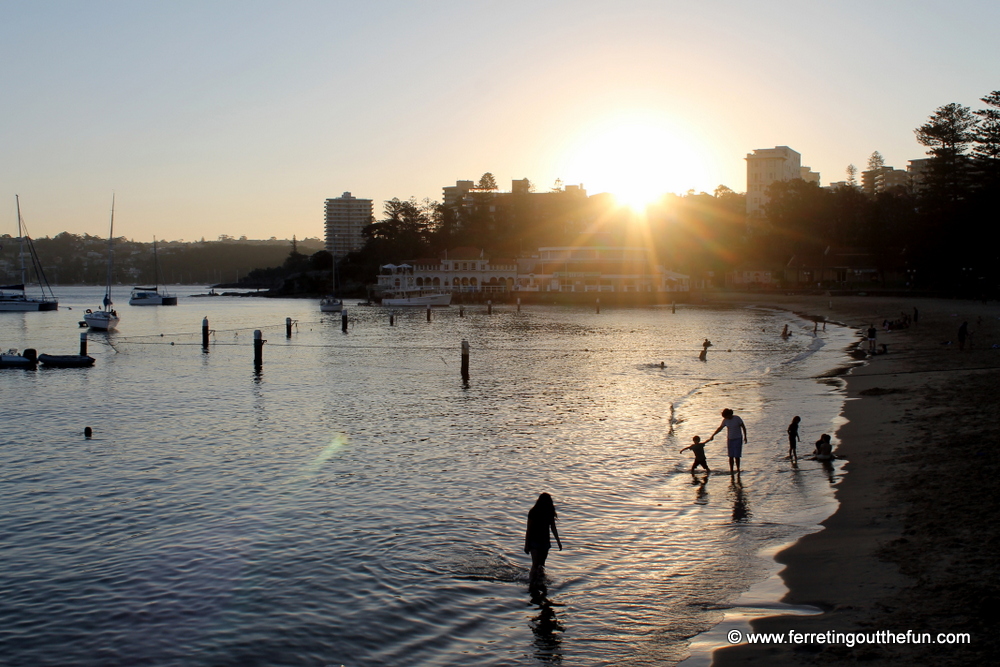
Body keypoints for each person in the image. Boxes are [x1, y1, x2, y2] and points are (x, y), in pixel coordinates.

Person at [524, 493, 562, 585]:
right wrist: (527, 544)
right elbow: (529, 529)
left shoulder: (547, 512)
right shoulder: (534, 512)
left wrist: (558, 541)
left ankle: (538, 581)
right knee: (536, 564)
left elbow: (553, 527)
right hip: (536, 543)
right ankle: (533, 582)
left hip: (543, 543)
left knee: (540, 565)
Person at [709, 408, 748, 473]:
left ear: (730, 414)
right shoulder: (725, 420)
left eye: (726, 416)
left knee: (737, 456)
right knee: (731, 456)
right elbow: (720, 428)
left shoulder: (737, 418)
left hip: (738, 438)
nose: (726, 418)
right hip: (730, 439)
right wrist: (713, 435)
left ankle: (738, 469)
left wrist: (745, 437)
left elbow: (743, 427)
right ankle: (731, 470)